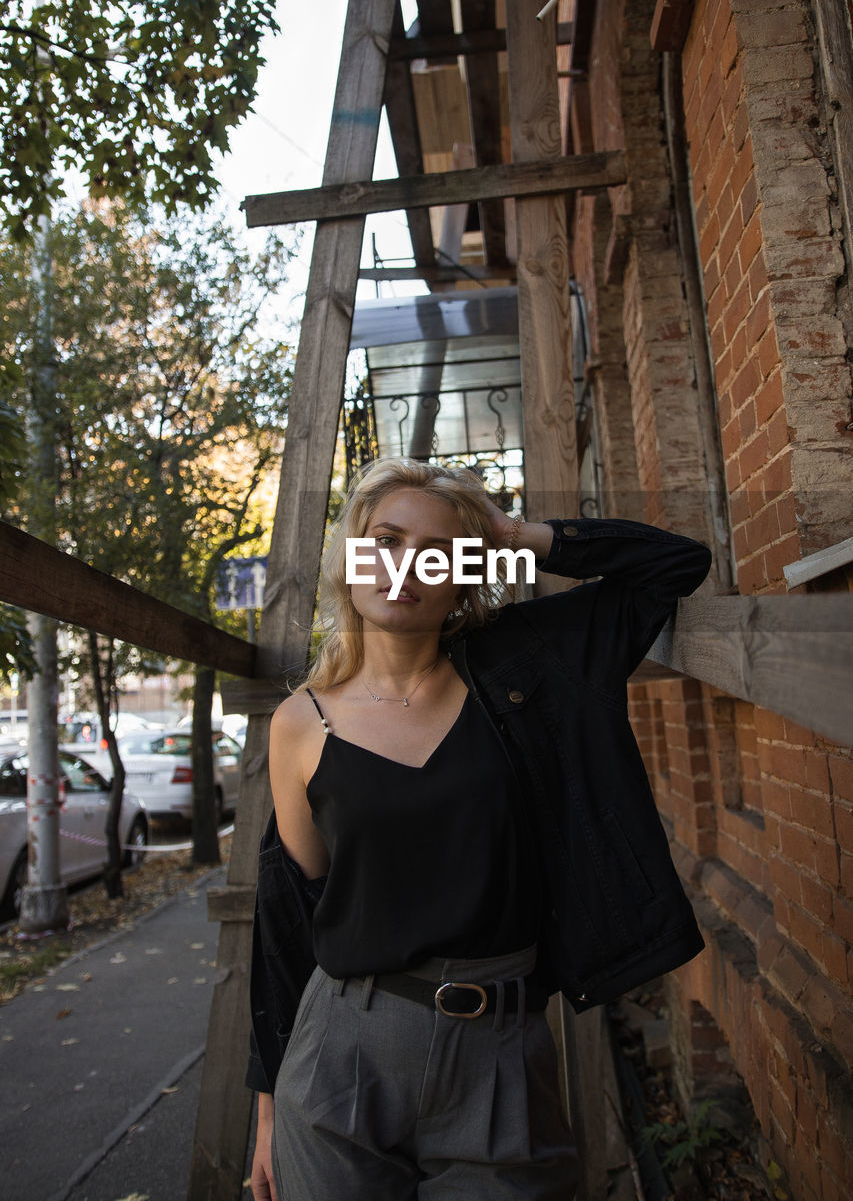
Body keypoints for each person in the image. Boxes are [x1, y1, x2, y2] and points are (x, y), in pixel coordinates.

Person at [248, 457, 712, 1201]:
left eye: (438, 553)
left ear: (467, 574)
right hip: (340, 1053)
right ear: (353, 554)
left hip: (499, 1052)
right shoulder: (300, 722)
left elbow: (674, 565)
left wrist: (511, 531)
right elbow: (284, 919)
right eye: (387, 540)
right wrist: (268, 1109)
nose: (406, 567)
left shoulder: (526, 667)